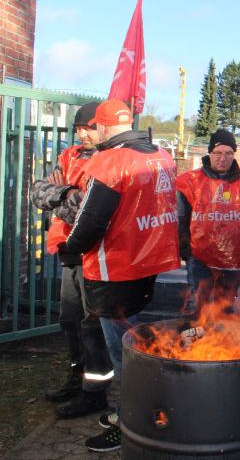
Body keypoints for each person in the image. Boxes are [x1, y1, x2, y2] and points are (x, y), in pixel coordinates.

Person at [60, 98, 180, 452]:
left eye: (94, 127)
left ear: (106, 126)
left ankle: (134, 425)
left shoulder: (111, 161)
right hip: (147, 267)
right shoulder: (161, 156)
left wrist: (72, 243)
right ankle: (136, 412)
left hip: (114, 273)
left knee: (125, 356)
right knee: (137, 344)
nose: (90, 134)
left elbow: (90, 222)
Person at [30, 101, 114, 418]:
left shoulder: (110, 161)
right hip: (68, 252)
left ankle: (95, 392)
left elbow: (86, 210)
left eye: (87, 128)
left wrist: (60, 195)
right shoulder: (70, 156)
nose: (81, 134)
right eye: (78, 128)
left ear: (101, 127)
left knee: (92, 324)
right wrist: (66, 195)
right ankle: (77, 378)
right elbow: (39, 190)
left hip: (95, 254)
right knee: (70, 321)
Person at [176, 129, 240, 315]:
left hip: (234, 257)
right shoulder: (190, 182)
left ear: (234, 155)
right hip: (199, 256)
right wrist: (186, 250)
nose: (222, 158)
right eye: (217, 153)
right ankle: (198, 341)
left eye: (228, 153)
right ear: (209, 153)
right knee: (198, 306)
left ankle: (222, 342)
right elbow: (180, 219)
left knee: (224, 307)